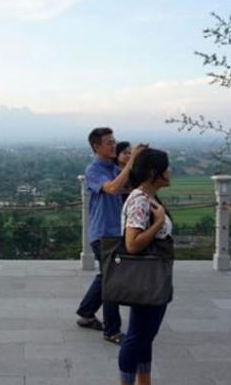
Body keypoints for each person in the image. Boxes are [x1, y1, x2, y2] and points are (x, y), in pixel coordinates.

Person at [75, 128, 146, 345]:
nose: (113, 146)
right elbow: (113, 189)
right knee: (112, 280)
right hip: (104, 232)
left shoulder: (115, 169)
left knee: (107, 276)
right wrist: (131, 160)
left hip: (116, 231)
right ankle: (112, 331)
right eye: (108, 143)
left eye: (114, 142)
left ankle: (86, 313)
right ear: (96, 147)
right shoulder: (94, 170)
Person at [118, 147, 173, 385]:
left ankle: (144, 381)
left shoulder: (147, 197)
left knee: (145, 335)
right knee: (138, 336)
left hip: (153, 277)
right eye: (166, 167)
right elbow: (132, 243)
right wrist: (159, 222)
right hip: (147, 278)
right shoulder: (140, 200)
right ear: (154, 173)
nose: (170, 171)